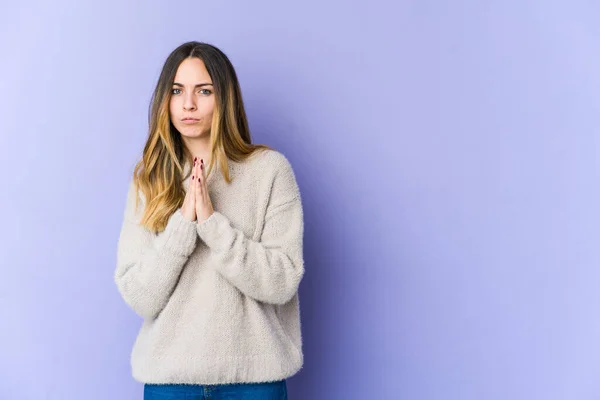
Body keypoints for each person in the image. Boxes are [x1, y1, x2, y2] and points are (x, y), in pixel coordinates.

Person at [114, 41, 305, 400]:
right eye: (177, 91)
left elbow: (283, 280)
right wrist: (184, 225)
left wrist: (214, 226)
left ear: (225, 98)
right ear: (164, 100)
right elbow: (140, 296)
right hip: (170, 383)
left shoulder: (269, 171)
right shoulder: (149, 180)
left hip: (254, 382)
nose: (188, 104)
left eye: (204, 91)